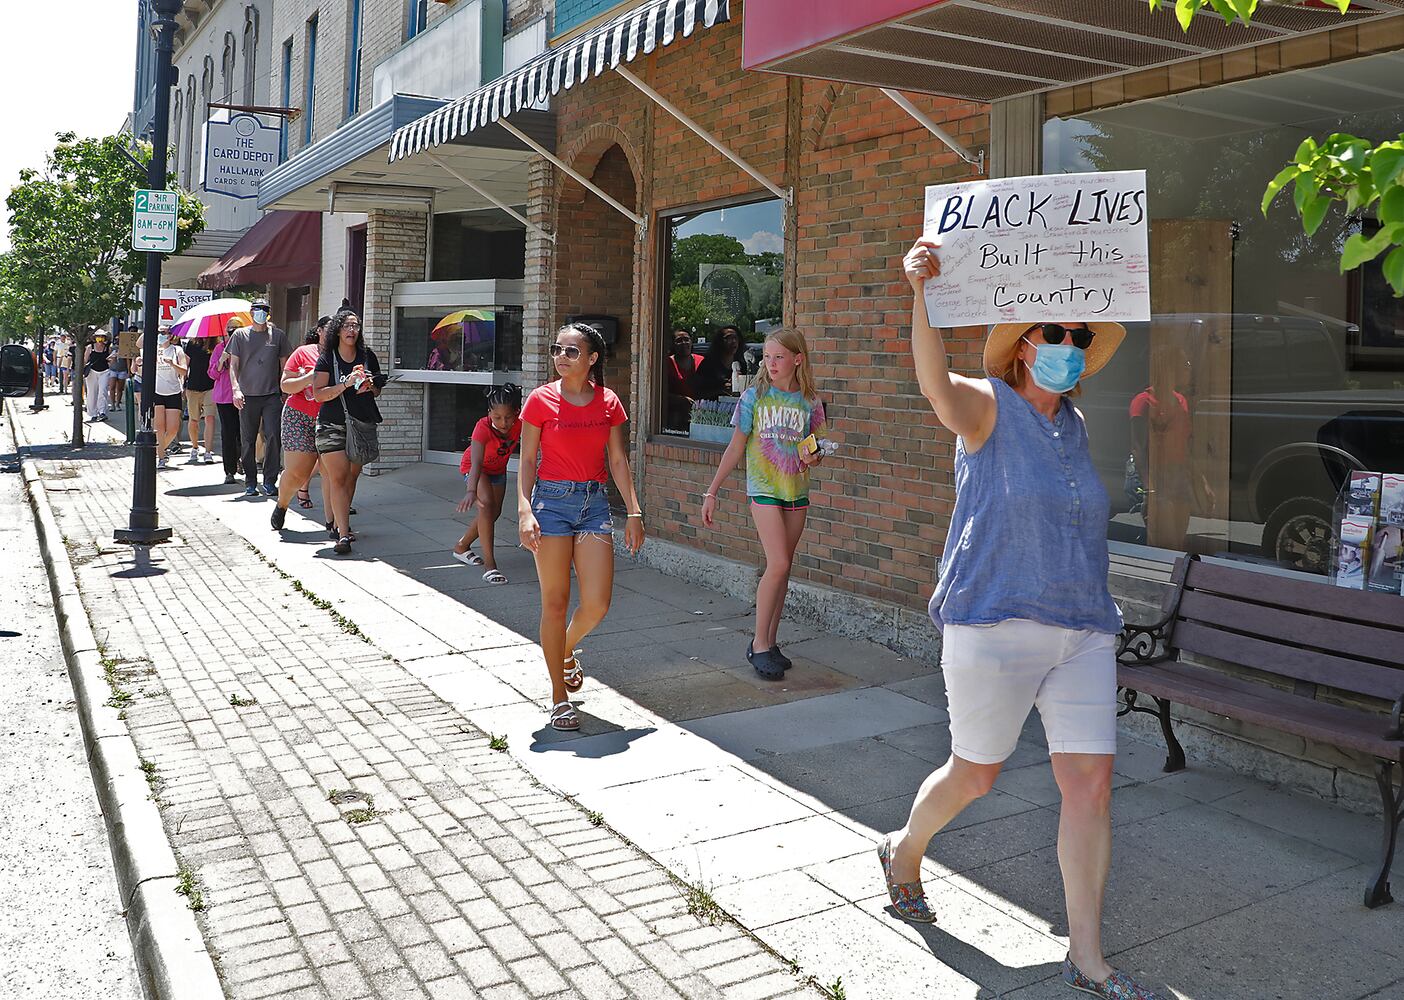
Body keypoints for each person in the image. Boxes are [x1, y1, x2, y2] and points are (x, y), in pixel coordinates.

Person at [881, 238, 1169, 1000]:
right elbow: (934, 385)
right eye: (1058, 334)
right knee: (975, 776)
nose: (1071, 347)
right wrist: (920, 295)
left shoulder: (1074, 427)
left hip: (1082, 627)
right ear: (1022, 347)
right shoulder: (987, 405)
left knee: (1092, 785)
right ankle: (906, 850)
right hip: (994, 620)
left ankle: (1087, 956)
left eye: (1081, 337)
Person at [517, 323, 645, 732]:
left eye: (572, 352)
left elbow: (619, 461)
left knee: (597, 603)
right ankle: (559, 698)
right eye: (557, 349)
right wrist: (523, 509)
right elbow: (526, 460)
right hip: (550, 504)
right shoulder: (540, 400)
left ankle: (565, 650)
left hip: (593, 504)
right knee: (554, 603)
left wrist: (634, 511)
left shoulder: (608, 402)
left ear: (592, 359)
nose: (561, 356)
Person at [700, 328, 826, 679]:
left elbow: (816, 445)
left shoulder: (810, 401)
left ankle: (771, 642)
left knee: (784, 570)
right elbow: (735, 447)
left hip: (796, 491)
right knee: (779, 562)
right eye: (767, 357)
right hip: (764, 489)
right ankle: (758, 644)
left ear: (797, 359)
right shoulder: (754, 397)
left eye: (779, 357)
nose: (771, 363)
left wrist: (814, 456)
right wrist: (712, 491)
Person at [311, 311, 383, 555]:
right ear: (338, 331)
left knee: (351, 478)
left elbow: (376, 391)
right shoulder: (327, 359)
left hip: (360, 424)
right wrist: (345, 383)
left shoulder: (367, 356)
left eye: (356, 326)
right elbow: (319, 394)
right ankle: (343, 534)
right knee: (339, 477)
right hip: (331, 424)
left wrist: (370, 386)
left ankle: (338, 522)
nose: (352, 330)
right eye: (347, 326)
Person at [453, 383, 523, 584]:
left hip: (497, 470)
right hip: (476, 469)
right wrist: (471, 490)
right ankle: (490, 566)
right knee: (486, 506)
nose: (503, 423)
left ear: (516, 413)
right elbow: (475, 463)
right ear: (489, 413)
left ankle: (461, 546)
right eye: (497, 417)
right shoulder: (482, 428)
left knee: (494, 512)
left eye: (508, 417)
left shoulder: (519, 424)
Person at [227, 297, 292, 497]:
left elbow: (285, 365)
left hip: (272, 394)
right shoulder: (239, 335)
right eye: (257, 309)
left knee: (273, 436)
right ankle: (250, 481)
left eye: (264, 309)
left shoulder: (278, 336)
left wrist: (286, 390)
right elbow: (233, 365)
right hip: (247, 395)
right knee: (248, 439)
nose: (261, 313)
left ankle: (270, 480)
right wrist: (235, 388)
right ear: (251, 311)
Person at [271, 321, 332, 532]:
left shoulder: (342, 355)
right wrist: (308, 377)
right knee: (298, 473)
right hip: (299, 415)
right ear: (319, 331)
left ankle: (333, 522)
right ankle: (282, 504)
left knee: (332, 472)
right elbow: (285, 384)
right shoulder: (303, 353)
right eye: (329, 328)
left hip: (330, 418)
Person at [144, 328, 187, 469]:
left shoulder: (177, 350)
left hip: (173, 391)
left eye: (164, 333)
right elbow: (139, 344)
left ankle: (160, 450)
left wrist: (172, 364)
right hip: (156, 391)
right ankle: (161, 457)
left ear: (170, 335)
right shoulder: (153, 349)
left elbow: (184, 371)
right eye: (159, 333)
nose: (162, 336)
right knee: (159, 427)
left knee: (173, 429)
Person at [209, 320, 242, 485]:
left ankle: (240, 458)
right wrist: (221, 361)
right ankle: (229, 470)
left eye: (236, 331)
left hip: (244, 395)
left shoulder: (246, 347)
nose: (232, 334)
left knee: (243, 433)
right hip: (224, 397)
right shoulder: (219, 348)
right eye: (230, 331)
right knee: (228, 434)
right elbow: (212, 374)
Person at [183, 332, 216, 464]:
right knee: (193, 420)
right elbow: (186, 365)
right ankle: (195, 447)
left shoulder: (216, 345)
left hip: (210, 386)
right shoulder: (192, 343)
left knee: (210, 418)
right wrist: (183, 383)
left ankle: (208, 451)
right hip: (193, 386)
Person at [691, 324, 747, 400]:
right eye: (728, 338)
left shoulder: (743, 365)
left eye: (736, 338)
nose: (733, 341)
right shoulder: (708, 365)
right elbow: (697, 393)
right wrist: (721, 390)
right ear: (720, 342)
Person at [665, 328, 703, 431]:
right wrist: (681, 399)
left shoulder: (702, 361)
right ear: (673, 344)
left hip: (701, 414)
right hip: (675, 417)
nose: (684, 343)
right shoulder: (667, 363)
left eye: (686, 339)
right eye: (679, 340)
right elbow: (660, 394)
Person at [83, 329, 114, 422]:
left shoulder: (107, 348)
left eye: (102, 337)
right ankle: (93, 413)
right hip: (92, 372)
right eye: (98, 337)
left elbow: (111, 361)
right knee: (92, 392)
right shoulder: (90, 347)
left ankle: (102, 412)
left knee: (103, 391)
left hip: (104, 371)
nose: (100, 339)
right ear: (95, 338)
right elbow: (85, 360)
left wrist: (112, 359)